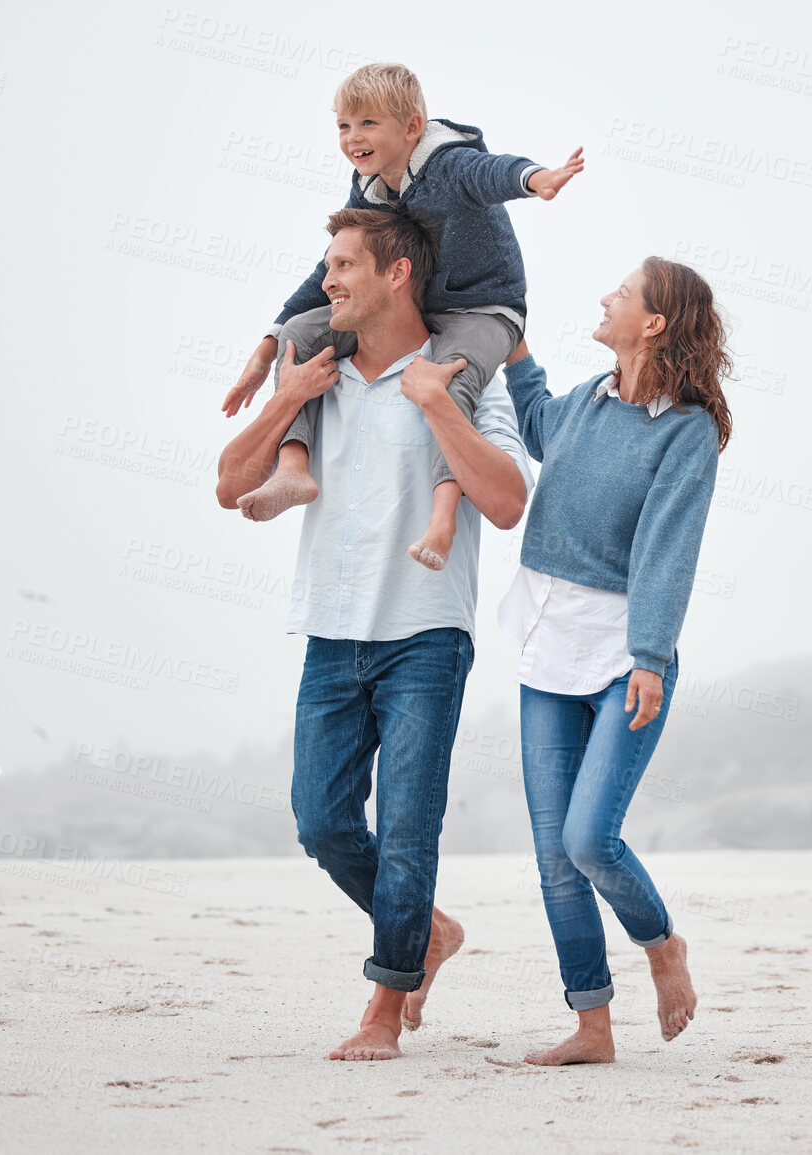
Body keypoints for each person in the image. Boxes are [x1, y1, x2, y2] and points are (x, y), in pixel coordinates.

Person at [214, 206, 534, 1062]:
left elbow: (506, 503)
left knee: (405, 829)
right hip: (329, 629)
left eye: (344, 264)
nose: (327, 281)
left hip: (424, 633)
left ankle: (383, 1009)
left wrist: (438, 406)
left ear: (397, 273)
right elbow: (226, 485)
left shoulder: (466, 372)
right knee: (320, 821)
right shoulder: (316, 372)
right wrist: (285, 394)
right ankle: (426, 931)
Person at [497, 257, 733, 1065]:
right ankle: (591, 1026)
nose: (604, 297)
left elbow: (669, 549)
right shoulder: (586, 404)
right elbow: (534, 424)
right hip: (547, 647)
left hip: (625, 658)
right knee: (554, 857)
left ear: (655, 322)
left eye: (621, 293)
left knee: (590, 838)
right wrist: (513, 346)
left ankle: (661, 943)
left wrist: (649, 656)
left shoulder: (685, 430)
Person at [221, 61, 581, 573]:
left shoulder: (447, 164)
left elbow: (491, 172)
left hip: (484, 307)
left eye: (368, 123)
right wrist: (268, 342)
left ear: (411, 127)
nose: (353, 137)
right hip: (429, 305)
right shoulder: (368, 187)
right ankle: (293, 468)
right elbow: (330, 267)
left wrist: (535, 178)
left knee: (446, 383)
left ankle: (443, 516)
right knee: (302, 333)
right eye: (344, 125)